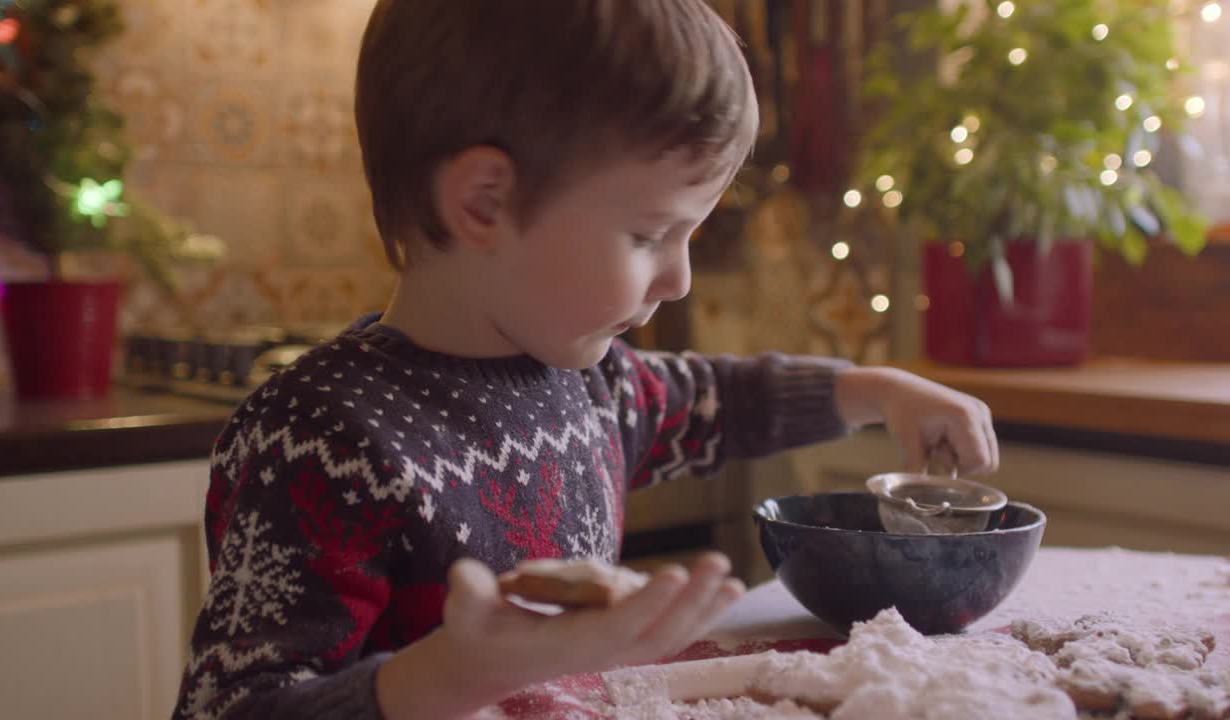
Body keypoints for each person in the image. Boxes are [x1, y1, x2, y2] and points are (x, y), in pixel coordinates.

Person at [172, 1, 999, 718]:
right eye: (648, 235)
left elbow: (724, 398)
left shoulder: (589, 383)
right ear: (484, 204)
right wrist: (457, 673)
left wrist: (876, 390)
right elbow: (236, 708)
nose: (676, 279)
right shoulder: (320, 439)